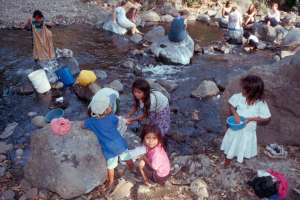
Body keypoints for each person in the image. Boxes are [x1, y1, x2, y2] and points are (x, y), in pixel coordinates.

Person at [82, 95, 133, 189]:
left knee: (111, 166)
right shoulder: (111, 118)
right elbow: (118, 122)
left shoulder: (90, 122)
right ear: (105, 111)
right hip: (119, 144)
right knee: (127, 157)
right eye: (108, 106)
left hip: (108, 149)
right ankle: (132, 169)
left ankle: (111, 182)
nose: (110, 107)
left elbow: (82, 125)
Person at [221, 75, 271, 166]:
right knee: (232, 141)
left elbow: (266, 117)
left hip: (248, 128)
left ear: (253, 92)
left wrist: (250, 119)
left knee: (242, 143)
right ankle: (228, 158)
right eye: (243, 88)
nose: (242, 90)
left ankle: (239, 156)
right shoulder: (238, 97)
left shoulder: (260, 103)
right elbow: (231, 106)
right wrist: (235, 114)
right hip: (236, 126)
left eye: (245, 89)